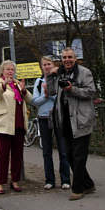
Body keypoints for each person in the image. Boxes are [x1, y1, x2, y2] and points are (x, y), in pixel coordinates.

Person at [46, 47, 96, 201]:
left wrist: (71, 89)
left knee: (79, 156)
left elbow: (91, 91)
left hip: (81, 120)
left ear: (75, 58)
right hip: (65, 121)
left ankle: (78, 188)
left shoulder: (84, 72)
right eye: (64, 57)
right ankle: (88, 184)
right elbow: (52, 91)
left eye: (70, 57)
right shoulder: (60, 72)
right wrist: (49, 75)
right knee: (69, 155)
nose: (67, 60)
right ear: (61, 59)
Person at [0, 60, 32, 194]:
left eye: (12, 70)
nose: (10, 72)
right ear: (2, 71)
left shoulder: (18, 84)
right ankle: (0, 182)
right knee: (3, 155)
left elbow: (30, 99)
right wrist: (4, 84)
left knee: (17, 155)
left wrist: (24, 89)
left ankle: (15, 180)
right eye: (7, 69)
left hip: (19, 124)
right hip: (4, 125)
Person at [32, 55, 71, 190]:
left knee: (63, 150)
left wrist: (52, 94)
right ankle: (49, 180)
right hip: (43, 117)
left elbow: (62, 98)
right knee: (46, 151)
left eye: (49, 64)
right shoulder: (38, 82)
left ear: (53, 65)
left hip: (58, 117)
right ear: (41, 67)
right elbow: (35, 101)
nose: (47, 67)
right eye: (44, 65)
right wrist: (46, 96)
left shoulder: (59, 78)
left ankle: (65, 179)